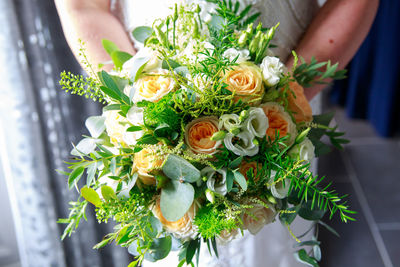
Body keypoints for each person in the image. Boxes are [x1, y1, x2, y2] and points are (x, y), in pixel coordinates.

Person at [55, 0, 378, 266]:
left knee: (273, 235)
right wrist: (139, 108)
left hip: (283, 99)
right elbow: (83, 6)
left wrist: (284, 98)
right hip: (153, 105)